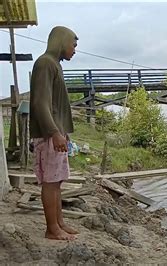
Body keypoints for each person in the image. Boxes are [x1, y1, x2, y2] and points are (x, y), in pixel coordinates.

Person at [29, 26, 78, 240]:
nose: (75, 50)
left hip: (57, 133)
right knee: (50, 182)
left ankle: (59, 222)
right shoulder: (45, 64)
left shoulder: (55, 65)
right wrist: (54, 132)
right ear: (61, 41)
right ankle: (51, 229)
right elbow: (41, 103)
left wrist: (63, 132)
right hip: (49, 135)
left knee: (57, 180)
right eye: (73, 45)